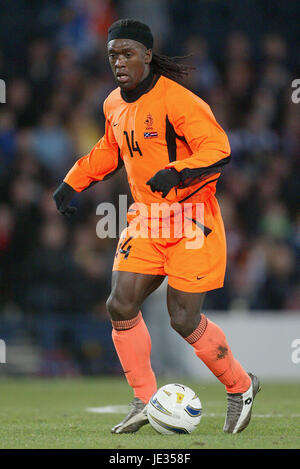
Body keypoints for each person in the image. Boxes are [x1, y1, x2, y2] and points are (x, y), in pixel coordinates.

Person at [53, 19, 260, 434]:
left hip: (191, 220)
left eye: (127, 52)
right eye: (113, 54)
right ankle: (144, 399)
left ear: (147, 54)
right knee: (119, 304)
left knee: (183, 319)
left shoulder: (180, 101)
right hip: (146, 219)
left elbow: (218, 148)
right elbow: (109, 150)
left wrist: (178, 172)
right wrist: (71, 182)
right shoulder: (113, 103)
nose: (119, 61)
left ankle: (240, 386)